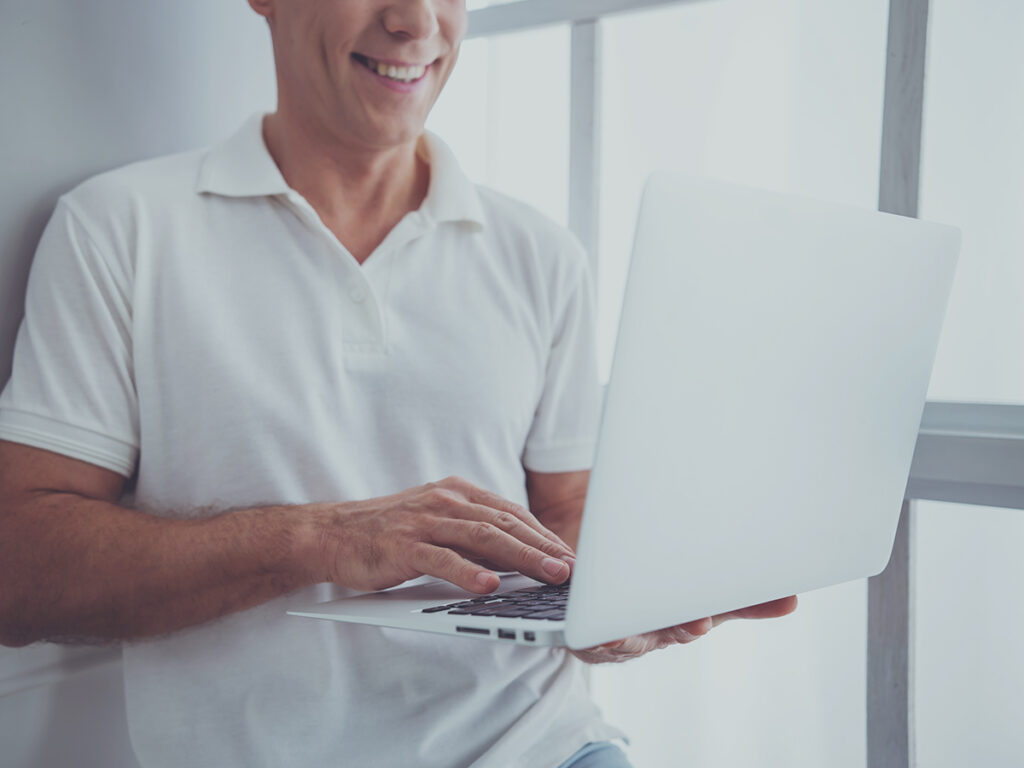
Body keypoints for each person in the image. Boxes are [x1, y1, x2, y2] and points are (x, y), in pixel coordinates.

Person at [0, 1, 796, 766]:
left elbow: (567, 508)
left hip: (545, 748)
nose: (416, 22)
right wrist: (319, 540)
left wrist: (614, 605)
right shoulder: (119, 228)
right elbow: (18, 567)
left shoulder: (540, 253)